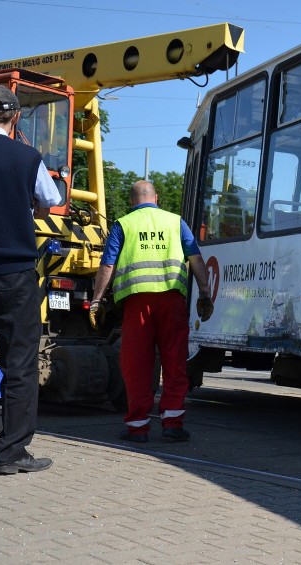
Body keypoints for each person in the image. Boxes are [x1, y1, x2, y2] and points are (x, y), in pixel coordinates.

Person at [0, 84, 62, 475]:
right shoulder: (27, 157)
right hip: (15, 276)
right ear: (15, 117)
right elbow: (50, 199)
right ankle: (11, 454)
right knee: (18, 365)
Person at [90, 180, 214, 443]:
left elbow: (107, 267)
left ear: (131, 201)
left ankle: (138, 427)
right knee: (174, 361)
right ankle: (172, 424)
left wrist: (96, 300)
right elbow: (196, 259)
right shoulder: (175, 222)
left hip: (137, 304)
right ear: (156, 198)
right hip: (172, 302)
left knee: (136, 365)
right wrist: (205, 292)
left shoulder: (123, 225)